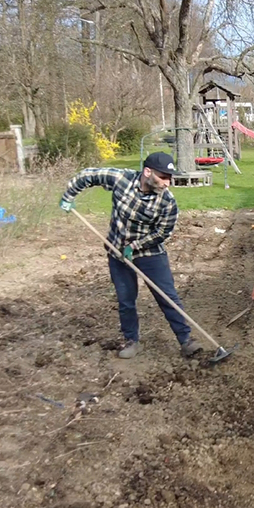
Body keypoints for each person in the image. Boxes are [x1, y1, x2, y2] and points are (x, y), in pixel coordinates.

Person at [58, 152, 199, 359]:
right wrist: (69, 196)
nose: (168, 183)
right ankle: (131, 340)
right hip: (117, 252)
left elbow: (162, 233)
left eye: (170, 178)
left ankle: (186, 340)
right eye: (163, 177)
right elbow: (88, 175)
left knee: (167, 296)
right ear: (147, 172)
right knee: (126, 300)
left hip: (150, 253)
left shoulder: (167, 203)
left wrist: (135, 246)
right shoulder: (121, 179)